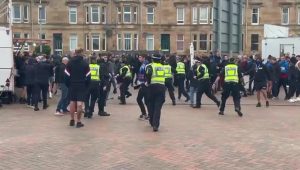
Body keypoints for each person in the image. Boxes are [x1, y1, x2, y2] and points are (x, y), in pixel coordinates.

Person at [65, 49, 91, 128]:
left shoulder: (69, 63)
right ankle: (78, 121)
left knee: (72, 102)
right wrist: (86, 85)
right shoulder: (85, 63)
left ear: (75, 53)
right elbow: (88, 76)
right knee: (80, 104)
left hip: (72, 85)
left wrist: (68, 84)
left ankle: (72, 120)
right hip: (81, 85)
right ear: (81, 53)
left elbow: (66, 75)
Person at [146, 54, 166, 132]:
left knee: (150, 104)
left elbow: (148, 74)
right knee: (158, 107)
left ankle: (151, 121)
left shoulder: (150, 66)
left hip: (152, 86)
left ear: (153, 59)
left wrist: (148, 82)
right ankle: (155, 125)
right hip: (161, 87)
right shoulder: (162, 67)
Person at [135, 55, 149, 120]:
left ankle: (146, 114)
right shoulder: (142, 64)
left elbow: (147, 74)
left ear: (144, 57)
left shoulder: (146, 64)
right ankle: (145, 114)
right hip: (142, 84)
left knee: (143, 100)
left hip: (145, 85)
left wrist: (146, 82)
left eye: (140, 57)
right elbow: (140, 74)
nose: (139, 58)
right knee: (141, 99)